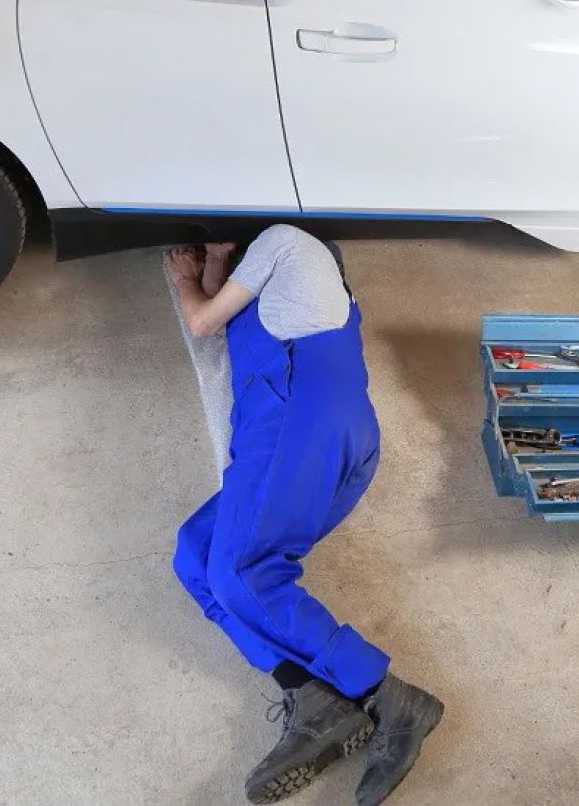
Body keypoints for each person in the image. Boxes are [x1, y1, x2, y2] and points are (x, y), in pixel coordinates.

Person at [165, 225, 444, 805]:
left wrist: (188, 280)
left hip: (297, 428)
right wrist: (215, 261)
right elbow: (224, 305)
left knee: (243, 573)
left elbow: (202, 319)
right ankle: (311, 696)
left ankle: (389, 697)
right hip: (315, 439)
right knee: (196, 553)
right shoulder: (289, 296)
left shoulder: (286, 241)